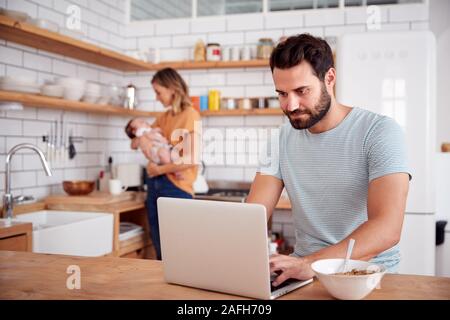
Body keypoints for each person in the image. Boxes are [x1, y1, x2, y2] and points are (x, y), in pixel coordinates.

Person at [246, 34, 411, 287]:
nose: (290, 105)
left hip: (367, 277)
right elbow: (252, 216)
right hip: (304, 277)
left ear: (330, 78)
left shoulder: (380, 132)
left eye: (302, 91)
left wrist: (308, 263)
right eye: (282, 94)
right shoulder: (278, 140)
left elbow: (387, 228)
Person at [132, 68, 200, 260]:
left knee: (179, 249)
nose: (157, 97)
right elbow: (136, 141)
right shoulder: (164, 117)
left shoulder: (190, 115)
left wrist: (159, 168)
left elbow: (191, 159)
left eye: (158, 92)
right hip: (155, 185)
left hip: (176, 188)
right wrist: (143, 139)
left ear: (172, 89)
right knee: (159, 245)